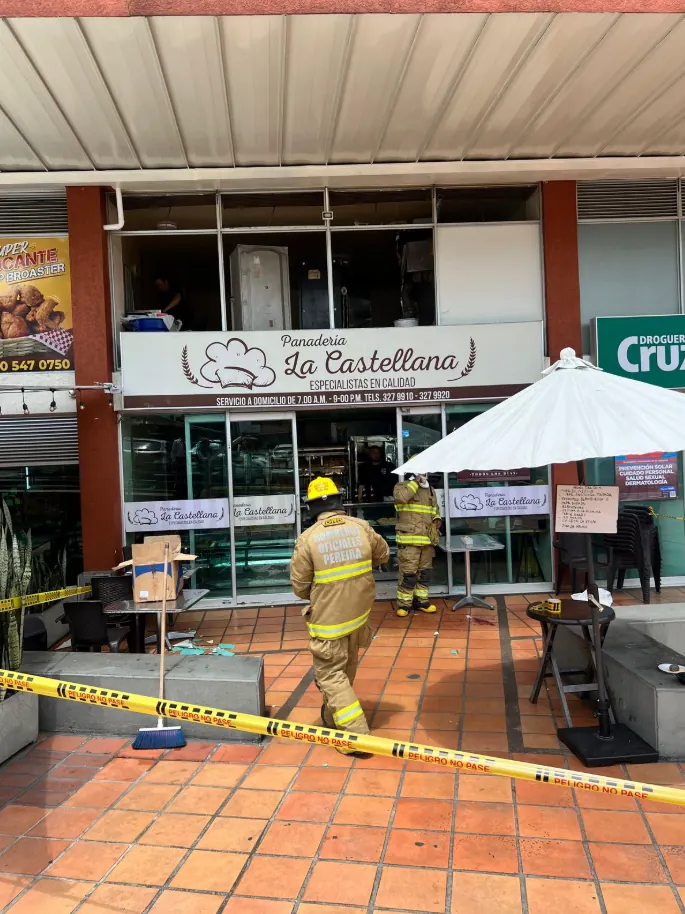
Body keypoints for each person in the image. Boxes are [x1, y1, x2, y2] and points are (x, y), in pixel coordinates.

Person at [290, 476, 390, 757]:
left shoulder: (307, 539)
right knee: (345, 670)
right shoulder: (361, 528)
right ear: (338, 502)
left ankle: (357, 736)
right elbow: (382, 555)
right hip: (359, 617)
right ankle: (334, 718)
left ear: (312, 508)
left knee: (331, 675)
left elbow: (300, 587)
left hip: (328, 622)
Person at [393, 472, 441, 618]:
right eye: (420, 472)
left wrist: (437, 518)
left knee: (424, 573)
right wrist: (415, 482)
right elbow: (401, 499)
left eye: (424, 472)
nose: (424, 475)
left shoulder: (430, 489)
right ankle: (404, 604)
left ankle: (422, 601)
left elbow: (434, 509)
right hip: (409, 540)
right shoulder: (401, 487)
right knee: (408, 574)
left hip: (426, 540)